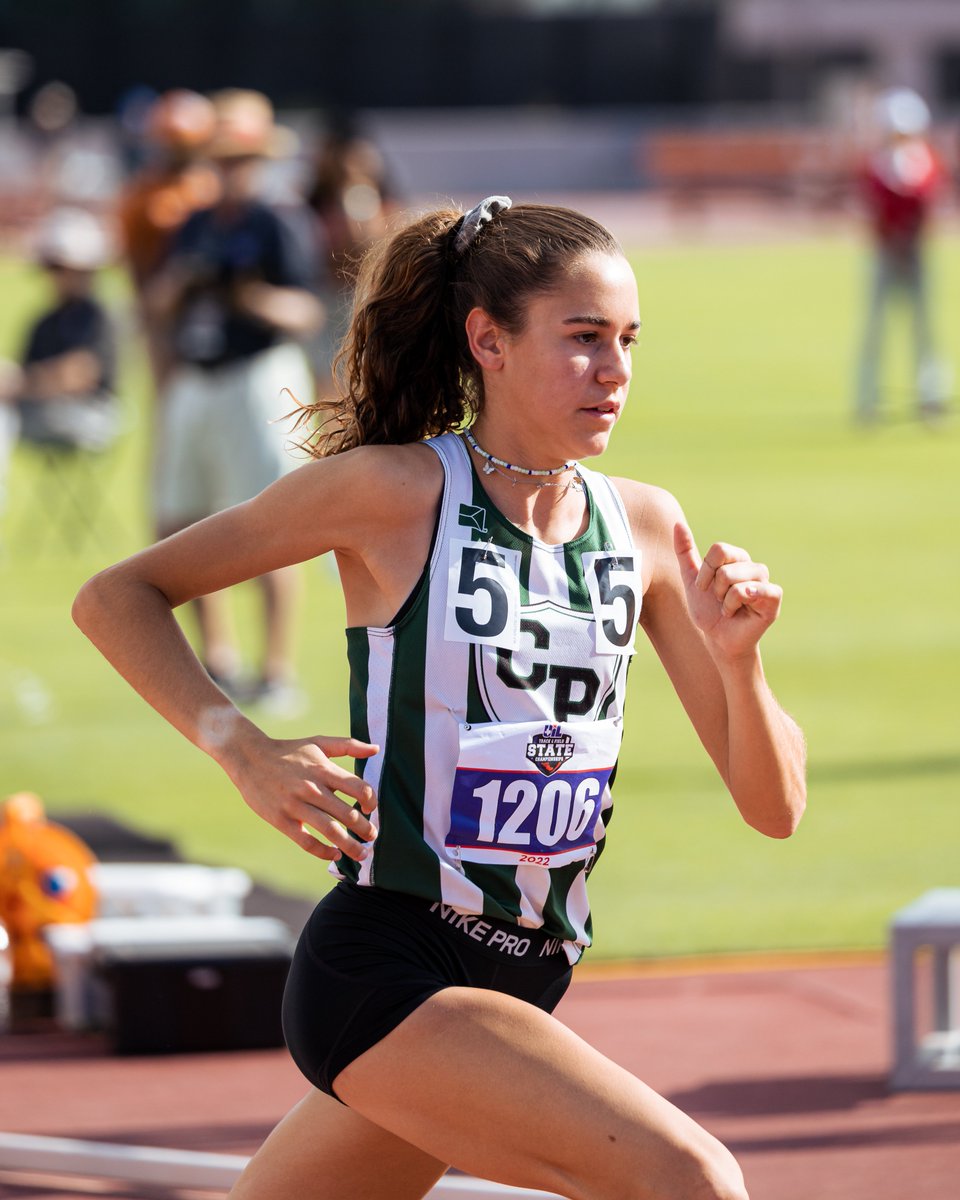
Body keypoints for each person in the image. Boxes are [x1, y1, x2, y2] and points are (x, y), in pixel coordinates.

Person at [73, 197, 806, 1200]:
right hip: (390, 967)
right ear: (488, 341)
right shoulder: (393, 492)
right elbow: (118, 596)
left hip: (531, 970)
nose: (616, 370)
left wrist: (740, 664)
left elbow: (775, 809)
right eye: (583, 339)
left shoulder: (644, 527)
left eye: (628, 341)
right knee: (691, 1181)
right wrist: (242, 750)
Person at [143, 89, 323, 709]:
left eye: (240, 160)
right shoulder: (193, 223)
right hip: (198, 374)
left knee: (273, 519)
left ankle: (275, 666)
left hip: (255, 371)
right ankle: (215, 658)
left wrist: (246, 295)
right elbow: (158, 305)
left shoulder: (277, 221)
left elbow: (304, 309)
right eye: (220, 159)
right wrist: (185, 282)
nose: (229, 171)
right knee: (178, 517)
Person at [855, 86, 946, 424]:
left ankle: (930, 396)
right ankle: (868, 396)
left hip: (915, 252)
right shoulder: (876, 164)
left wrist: (909, 237)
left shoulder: (925, 161)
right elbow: (877, 205)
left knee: (924, 327)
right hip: (885, 253)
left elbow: (924, 201)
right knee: (875, 326)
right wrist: (892, 238)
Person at [13, 207, 120, 454]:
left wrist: (26, 383)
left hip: (90, 415)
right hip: (42, 411)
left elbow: (82, 374)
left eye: (61, 267)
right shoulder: (44, 322)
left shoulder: (99, 318)